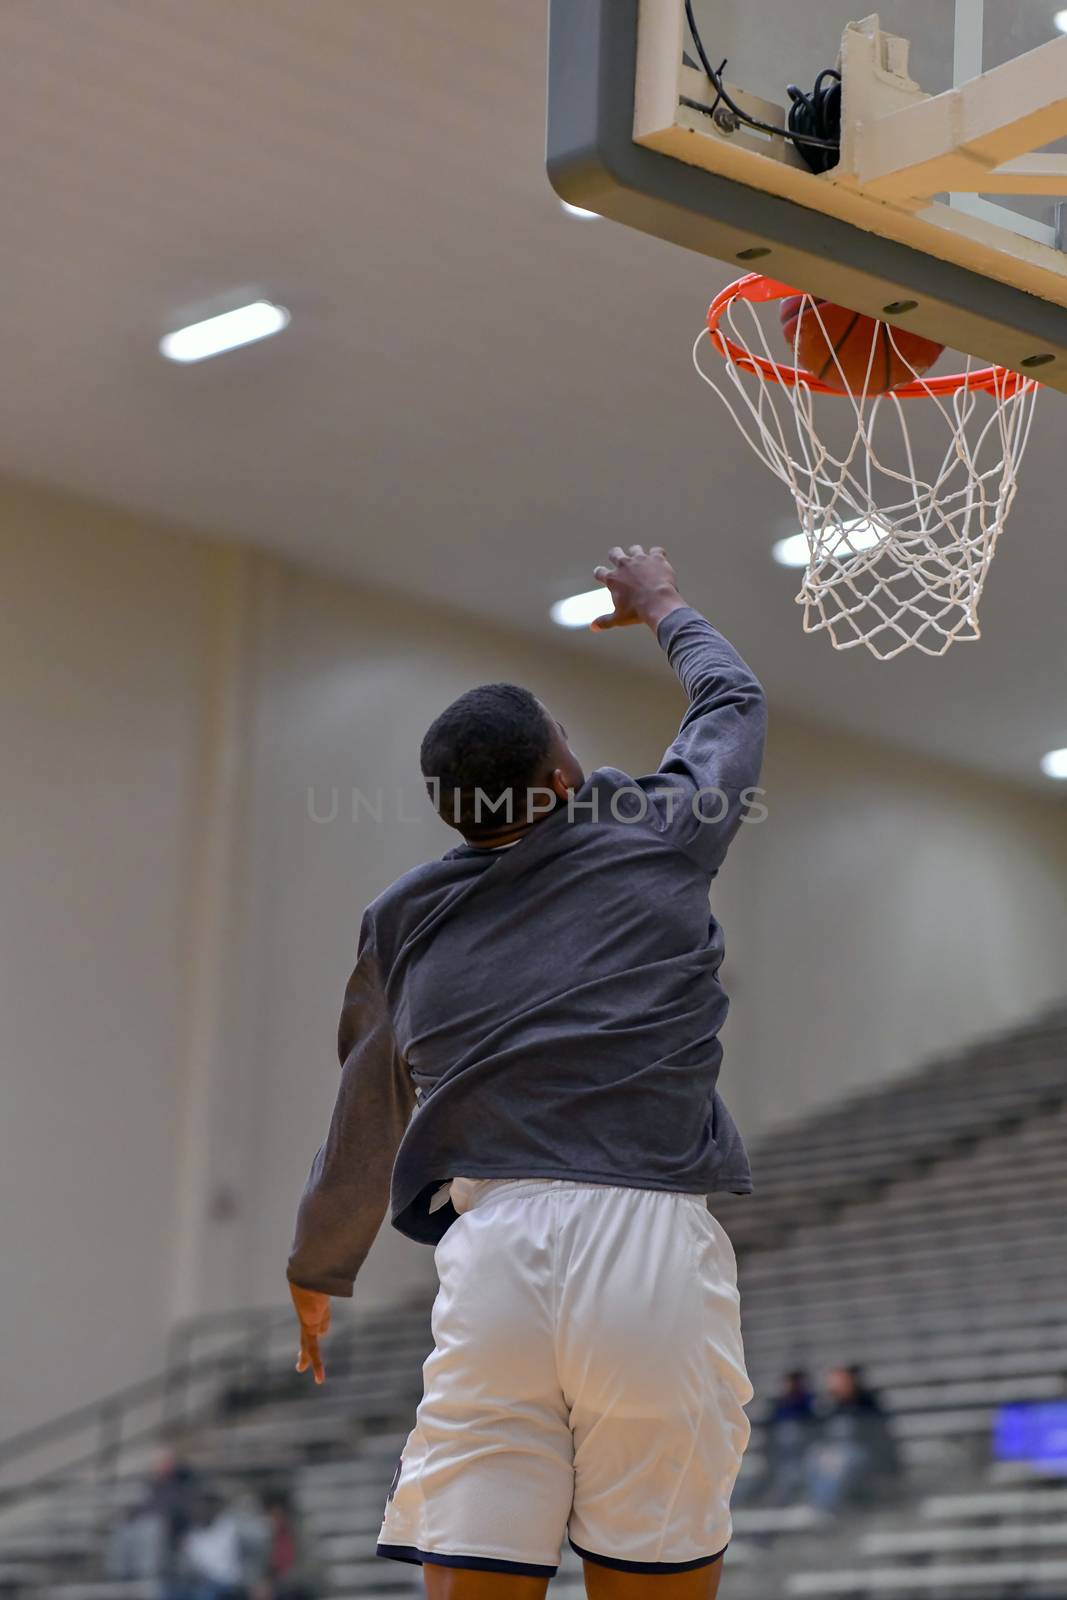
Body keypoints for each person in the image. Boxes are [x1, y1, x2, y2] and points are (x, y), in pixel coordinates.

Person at [287, 546, 767, 1600]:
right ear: (558, 778)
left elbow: (366, 1102)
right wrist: (661, 605)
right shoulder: (655, 831)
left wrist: (320, 1266)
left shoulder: (401, 915)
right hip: (639, 1235)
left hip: (488, 1252)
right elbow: (731, 699)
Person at [805, 1365, 902, 1514]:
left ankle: (827, 1508)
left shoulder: (868, 1403)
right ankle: (819, 1505)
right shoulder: (829, 1407)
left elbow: (877, 1438)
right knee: (815, 1458)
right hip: (834, 1454)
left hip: (863, 1454)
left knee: (842, 1463)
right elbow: (820, 1435)